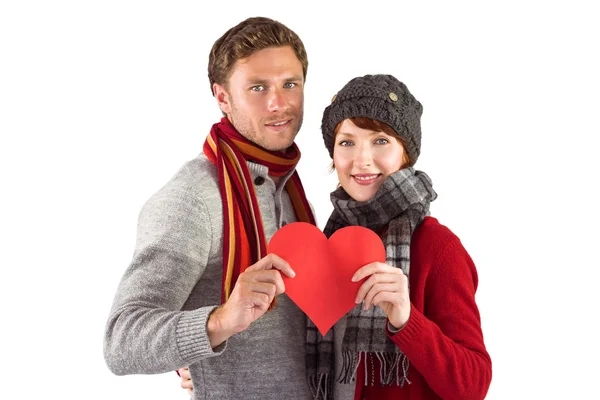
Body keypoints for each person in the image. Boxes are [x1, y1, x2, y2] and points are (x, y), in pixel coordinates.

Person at [180, 74, 493, 399]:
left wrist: (407, 319)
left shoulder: (436, 247)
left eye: (380, 140)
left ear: (406, 152)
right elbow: (288, 337)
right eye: (347, 142)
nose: (361, 159)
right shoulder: (326, 240)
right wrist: (205, 365)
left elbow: (473, 385)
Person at [103, 16, 317, 400]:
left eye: (290, 84)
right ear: (222, 97)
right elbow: (122, 340)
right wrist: (219, 321)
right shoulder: (193, 198)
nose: (278, 103)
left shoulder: (289, 188)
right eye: (257, 87)